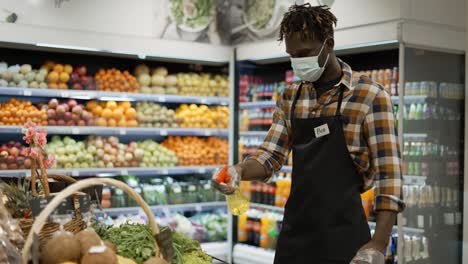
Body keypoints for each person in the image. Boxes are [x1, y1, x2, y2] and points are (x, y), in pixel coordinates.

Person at [213, 3, 405, 264]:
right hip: (296, 235)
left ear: (329, 44)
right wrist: (238, 170)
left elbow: (389, 175)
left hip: (346, 238)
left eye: (305, 53)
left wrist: (378, 244)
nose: (299, 62)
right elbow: (271, 155)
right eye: (293, 55)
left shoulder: (369, 95)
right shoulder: (292, 96)